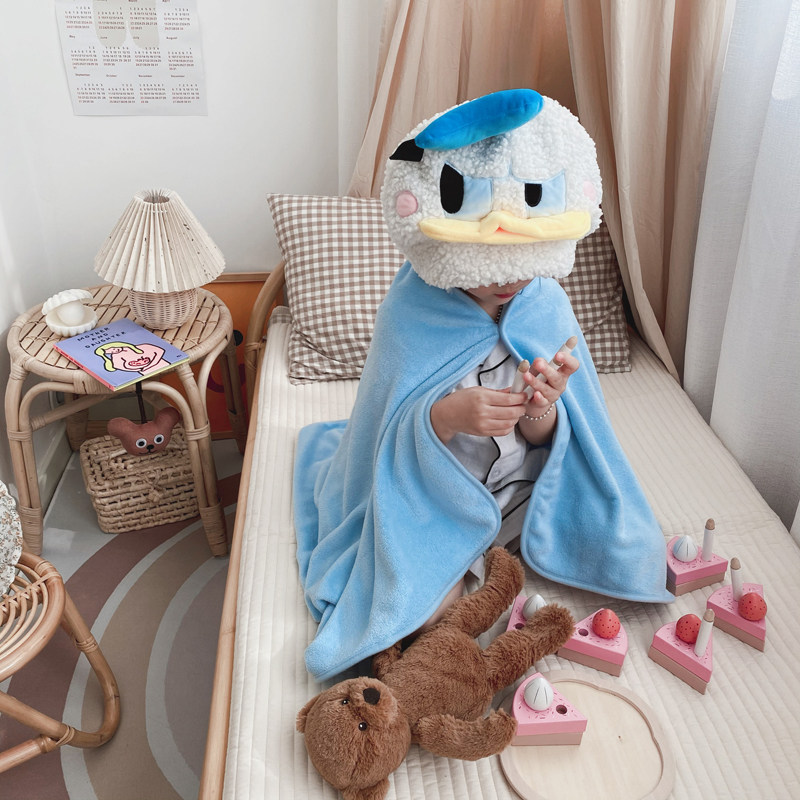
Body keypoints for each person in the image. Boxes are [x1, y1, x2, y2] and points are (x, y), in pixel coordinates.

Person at [294, 90, 671, 682]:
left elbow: (554, 440)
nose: (508, 283)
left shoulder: (545, 301)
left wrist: (543, 407)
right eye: (491, 270)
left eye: (523, 268)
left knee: (608, 545)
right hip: (434, 493)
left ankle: (493, 570)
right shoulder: (412, 308)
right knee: (417, 611)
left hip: (518, 491)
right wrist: (446, 416)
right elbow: (386, 423)